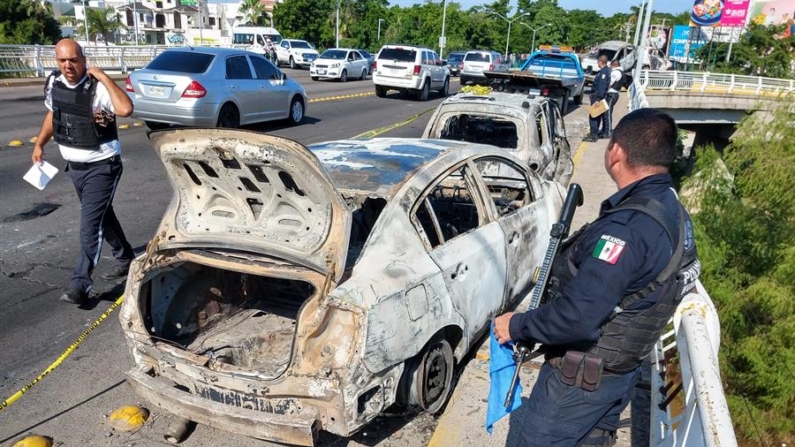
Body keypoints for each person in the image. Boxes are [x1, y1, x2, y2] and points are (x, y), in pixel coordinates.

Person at [493, 108, 699, 446]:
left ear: (615, 151)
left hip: (577, 387)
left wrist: (516, 325)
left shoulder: (627, 229)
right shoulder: (671, 208)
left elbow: (578, 316)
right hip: (615, 376)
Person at [31, 38, 136, 306]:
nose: (68, 65)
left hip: (103, 166)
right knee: (102, 215)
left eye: (73, 60)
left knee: (89, 225)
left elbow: (125, 109)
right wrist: (40, 143)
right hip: (75, 167)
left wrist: (103, 76)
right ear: (56, 60)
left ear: (83, 59)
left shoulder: (97, 87)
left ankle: (80, 283)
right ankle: (125, 257)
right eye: (62, 60)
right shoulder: (54, 84)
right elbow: (52, 116)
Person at [584, 55, 610, 142]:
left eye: (598, 61)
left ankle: (593, 135)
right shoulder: (603, 71)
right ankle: (594, 134)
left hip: (597, 97)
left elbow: (602, 87)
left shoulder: (603, 72)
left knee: (593, 116)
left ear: (600, 62)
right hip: (597, 97)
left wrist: (598, 99)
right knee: (596, 115)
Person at [604, 60, 626, 139]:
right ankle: (606, 130)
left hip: (611, 94)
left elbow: (610, 83)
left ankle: (608, 132)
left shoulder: (615, 72)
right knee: (607, 113)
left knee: (607, 114)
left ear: (612, 65)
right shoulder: (620, 72)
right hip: (614, 94)